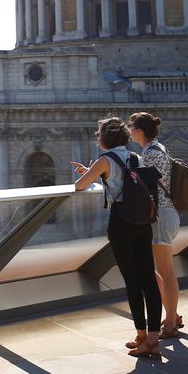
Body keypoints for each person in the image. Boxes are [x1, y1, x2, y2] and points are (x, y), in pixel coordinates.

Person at [72, 116, 162, 359]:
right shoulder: (136, 157)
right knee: (149, 280)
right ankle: (152, 338)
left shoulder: (105, 160)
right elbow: (128, 183)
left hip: (121, 224)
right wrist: (98, 172)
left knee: (132, 282)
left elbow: (80, 186)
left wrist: (91, 172)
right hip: (143, 222)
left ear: (104, 139)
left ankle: (142, 335)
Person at [129, 111, 182, 338]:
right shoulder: (156, 149)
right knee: (155, 270)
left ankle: (170, 323)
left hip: (160, 216)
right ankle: (173, 314)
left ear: (140, 131)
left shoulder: (151, 153)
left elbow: (143, 186)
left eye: (131, 127)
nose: (129, 131)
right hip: (163, 214)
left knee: (165, 271)